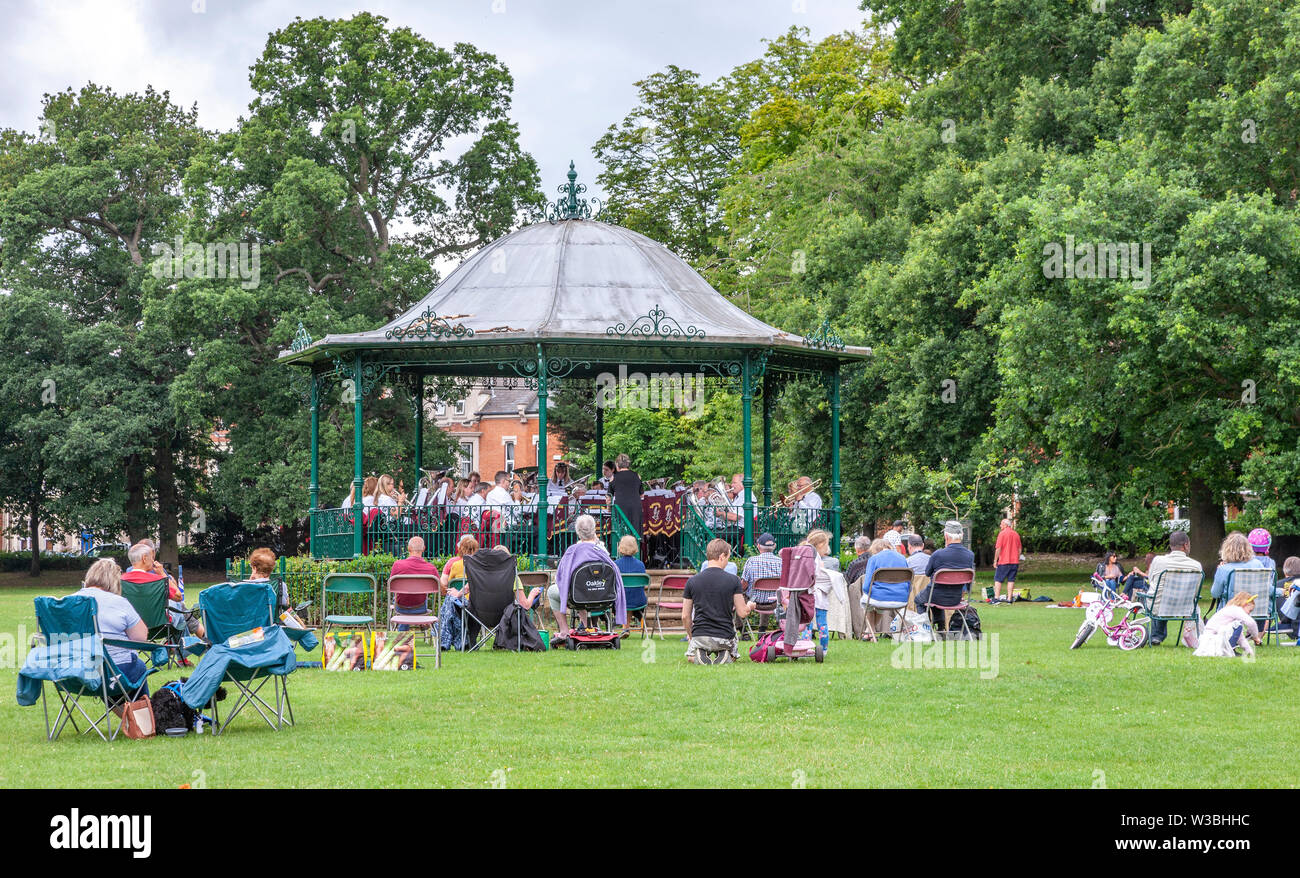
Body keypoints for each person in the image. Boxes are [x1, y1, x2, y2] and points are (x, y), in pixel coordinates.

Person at [71, 558, 151, 700]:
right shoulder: (118, 602)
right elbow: (140, 637)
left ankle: (134, 720)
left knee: (109, 669)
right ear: (114, 581)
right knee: (136, 667)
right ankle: (142, 720)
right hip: (110, 675)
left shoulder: (65, 603)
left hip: (73, 675)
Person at [549, 514, 626, 643]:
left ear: (578, 532)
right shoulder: (601, 550)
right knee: (579, 588)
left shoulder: (572, 551)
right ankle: (587, 626)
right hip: (602, 594)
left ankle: (564, 631)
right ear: (594, 530)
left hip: (579, 595)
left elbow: (560, 577)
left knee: (553, 591)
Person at [682, 538, 756, 664]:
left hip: (700, 634)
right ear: (722, 556)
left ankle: (700, 653)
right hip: (724, 635)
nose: (728, 562)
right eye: (728, 557)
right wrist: (750, 605)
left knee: (691, 656)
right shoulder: (733, 580)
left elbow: (685, 616)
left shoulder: (692, 581)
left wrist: (691, 635)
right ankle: (724, 654)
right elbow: (742, 613)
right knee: (732, 656)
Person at [122, 541, 204, 640]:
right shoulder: (159, 580)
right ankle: (182, 648)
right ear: (144, 558)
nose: (153, 560)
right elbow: (178, 597)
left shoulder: (120, 581)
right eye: (151, 557)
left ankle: (177, 647)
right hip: (159, 627)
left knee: (179, 610)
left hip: (131, 627)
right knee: (178, 607)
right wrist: (163, 575)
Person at [1145, 530, 1202, 647]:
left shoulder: (1158, 561)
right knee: (1163, 596)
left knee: (1154, 596)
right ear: (1186, 545)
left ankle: (1157, 635)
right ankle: (1157, 635)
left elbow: (1151, 581)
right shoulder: (1196, 566)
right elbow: (1196, 592)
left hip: (1159, 607)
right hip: (1185, 607)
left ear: (1171, 546)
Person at [917, 521, 976, 629]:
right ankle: (940, 627)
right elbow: (969, 582)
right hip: (956, 597)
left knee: (919, 599)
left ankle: (925, 629)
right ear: (961, 536)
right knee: (934, 593)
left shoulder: (938, 554)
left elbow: (927, 573)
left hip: (935, 596)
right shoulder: (970, 555)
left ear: (946, 536)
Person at [389, 537, 440, 628]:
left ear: (408, 549)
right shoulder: (431, 568)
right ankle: (423, 625)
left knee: (398, 595)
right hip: (420, 608)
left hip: (400, 608)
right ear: (424, 548)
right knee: (423, 596)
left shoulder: (397, 565)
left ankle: (402, 633)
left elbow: (390, 587)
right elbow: (441, 589)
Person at [1194, 591, 1262, 658]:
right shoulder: (1236, 610)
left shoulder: (1231, 613)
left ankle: (1230, 650)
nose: (1249, 614)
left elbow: (1240, 638)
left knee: (1238, 627)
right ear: (1245, 605)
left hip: (1209, 642)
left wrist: (1249, 651)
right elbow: (1251, 623)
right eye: (1250, 610)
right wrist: (1255, 637)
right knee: (1238, 626)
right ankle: (1230, 649)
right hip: (1213, 639)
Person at [1209, 531, 1264, 603]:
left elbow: (1215, 594)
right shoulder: (1258, 564)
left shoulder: (1223, 569)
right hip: (1255, 609)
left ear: (1226, 549)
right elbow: (1266, 588)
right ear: (1248, 548)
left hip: (1231, 611)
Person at [740, 533, 783, 624]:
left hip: (754, 601)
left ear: (758, 546)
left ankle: (743, 631)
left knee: (737, 594)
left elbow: (744, 585)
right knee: (770, 592)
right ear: (774, 546)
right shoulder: (781, 562)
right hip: (775, 602)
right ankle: (762, 628)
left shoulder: (751, 561)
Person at [610, 453, 643, 538]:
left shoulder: (614, 477)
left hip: (621, 507)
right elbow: (641, 494)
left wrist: (608, 509)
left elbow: (609, 496)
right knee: (635, 532)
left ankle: (622, 550)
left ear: (617, 465)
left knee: (621, 533)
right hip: (635, 507)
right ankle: (636, 550)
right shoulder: (637, 476)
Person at [992, 518, 1022, 603]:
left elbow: (998, 548)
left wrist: (995, 560)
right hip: (1014, 561)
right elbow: (1019, 549)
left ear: (1005, 525)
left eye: (1001, 524)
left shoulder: (1002, 534)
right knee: (1011, 580)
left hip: (1004, 561)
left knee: (998, 579)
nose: (1000, 525)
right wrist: (1017, 557)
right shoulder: (1016, 534)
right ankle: (1009, 598)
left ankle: (997, 597)